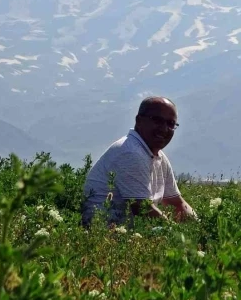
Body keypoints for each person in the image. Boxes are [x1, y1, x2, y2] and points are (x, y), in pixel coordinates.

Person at [81, 96, 196, 227]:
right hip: (104, 234)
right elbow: (142, 208)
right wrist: (180, 237)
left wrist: (201, 229)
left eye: (170, 124)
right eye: (157, 120)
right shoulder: (131, 153)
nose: (164, 129)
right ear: (139, 121)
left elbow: (176, 203)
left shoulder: (158, 156)